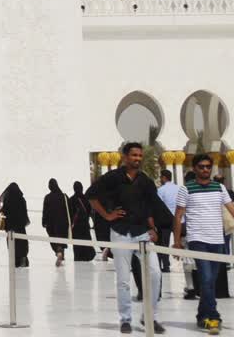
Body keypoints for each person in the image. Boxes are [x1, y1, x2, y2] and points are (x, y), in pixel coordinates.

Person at [86, 142, 168, 334]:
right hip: (121, 232)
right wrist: (107, 216)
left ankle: (149, 316)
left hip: (142, 232)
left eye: (140, 156)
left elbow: (149, 206)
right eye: (134, 155)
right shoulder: (113, 178)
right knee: (123, 279)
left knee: (155, 274)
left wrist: (153, 227)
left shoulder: (145, 181)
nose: (137, 159)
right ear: (125, 157)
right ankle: (125, 319)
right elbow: (91, 195)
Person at [174, 154, 234, 334]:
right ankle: (213, 316)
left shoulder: (219, 188)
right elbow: (178, 216)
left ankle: (202, 315)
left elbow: (233, 209)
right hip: (198, 240)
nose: (205, 170)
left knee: (210, 281)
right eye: (201, 167)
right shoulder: (186, 189)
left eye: (208, 166)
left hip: (217, 240)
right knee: (207, 279)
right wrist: (177, 241)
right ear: (194, 169)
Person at [153, 170, 181, 273]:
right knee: (181, 242)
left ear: (164, 178)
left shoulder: (161, 190)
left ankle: (165, 265)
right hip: (179, 220)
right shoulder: (179, 189)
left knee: (163, 243)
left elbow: (158, 206)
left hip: (165, 221)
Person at [0, 182, 30, 268]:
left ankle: (15, 261)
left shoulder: (7, 200)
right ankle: (23, 258)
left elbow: (3, 211)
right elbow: (24, 212)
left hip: (10, 226)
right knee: (22, 242)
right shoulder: (22, 199)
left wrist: (0, 205)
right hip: (20, 226)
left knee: (12, 243)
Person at [43, 179, 70, 267]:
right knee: (61, 239)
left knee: (54, 239)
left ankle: (58, 253)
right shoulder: (64, 196)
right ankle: (61, 254)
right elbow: (69, 209)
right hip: (63, 223)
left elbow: (45, 211)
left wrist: (44, 222)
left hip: (51, 223)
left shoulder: (47, 197)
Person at [69, 181, 97, 261]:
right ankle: (87, 256)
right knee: (86, 241)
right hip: (85, 224)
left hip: (76, 226)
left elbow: (70, 213)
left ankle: (78, 257)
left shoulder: (71, 200)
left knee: (77, 244)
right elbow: (89, 211)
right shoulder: (86, 199)